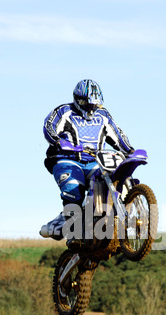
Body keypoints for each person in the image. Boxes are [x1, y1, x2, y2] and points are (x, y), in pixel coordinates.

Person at [40, 79, 135, 240]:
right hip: (67, 160)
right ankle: (72, 229)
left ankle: (112, 220)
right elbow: (48, 126)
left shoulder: (103, 115)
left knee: (114, 179)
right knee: (73, 190)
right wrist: (57, 141)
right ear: (78, 100)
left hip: (95, 161)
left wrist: (129, 150)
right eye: (87, 104)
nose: (91, 109)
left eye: (94, 105)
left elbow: (117, 134)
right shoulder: (64, 111)